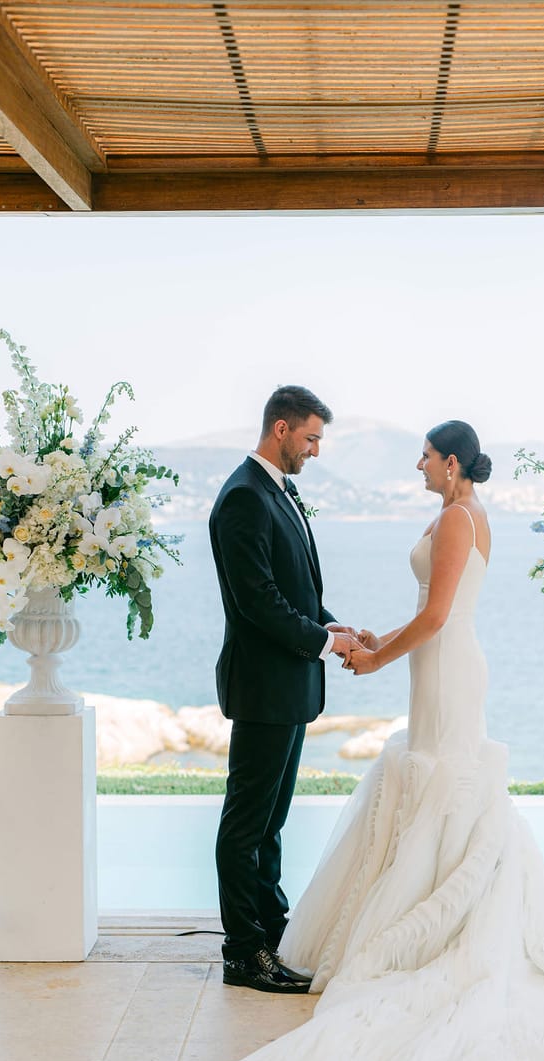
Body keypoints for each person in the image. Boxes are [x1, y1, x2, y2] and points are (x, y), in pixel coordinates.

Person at [230, 419, 544, 1061]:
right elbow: (426, 614)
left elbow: (438, 618)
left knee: (449, 787)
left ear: (453, 463)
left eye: (427, 457)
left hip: (450, 670)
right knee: (423, 782)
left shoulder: (462, 518)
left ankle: (444, 937)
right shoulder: (450, 512)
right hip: (431, 667)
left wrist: (375, 658)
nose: (418, 466)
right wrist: (375, 637)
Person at [209, 385, 360, 995]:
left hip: (288, 684)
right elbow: (259, 604)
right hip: (265, 686)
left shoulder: (275, 491)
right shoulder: (245, 497)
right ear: (281, 430)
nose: (316, 450)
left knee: (270, 823)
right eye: (311, 438)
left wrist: (332, 626)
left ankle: (273, 933)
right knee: (246, 825)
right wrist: (324, 645)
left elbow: (294, 590)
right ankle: (243, 952)